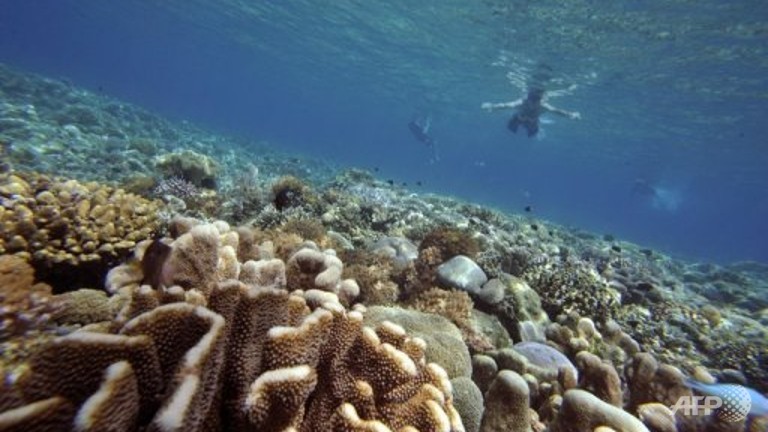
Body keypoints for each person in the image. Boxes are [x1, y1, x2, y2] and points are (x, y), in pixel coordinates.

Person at [482, 87, 580, 137]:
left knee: (532, 133)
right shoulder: (520, 103)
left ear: (540, 101)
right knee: (511, 128)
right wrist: (492, 107)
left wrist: (570, 115)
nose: (532, 105)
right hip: (518, 118)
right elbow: (506, 105)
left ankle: (537, 128)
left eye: (536, 102)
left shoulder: (543, 107)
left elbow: (556, 111)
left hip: (532, 121)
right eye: (531, 102)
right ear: (527, 100)